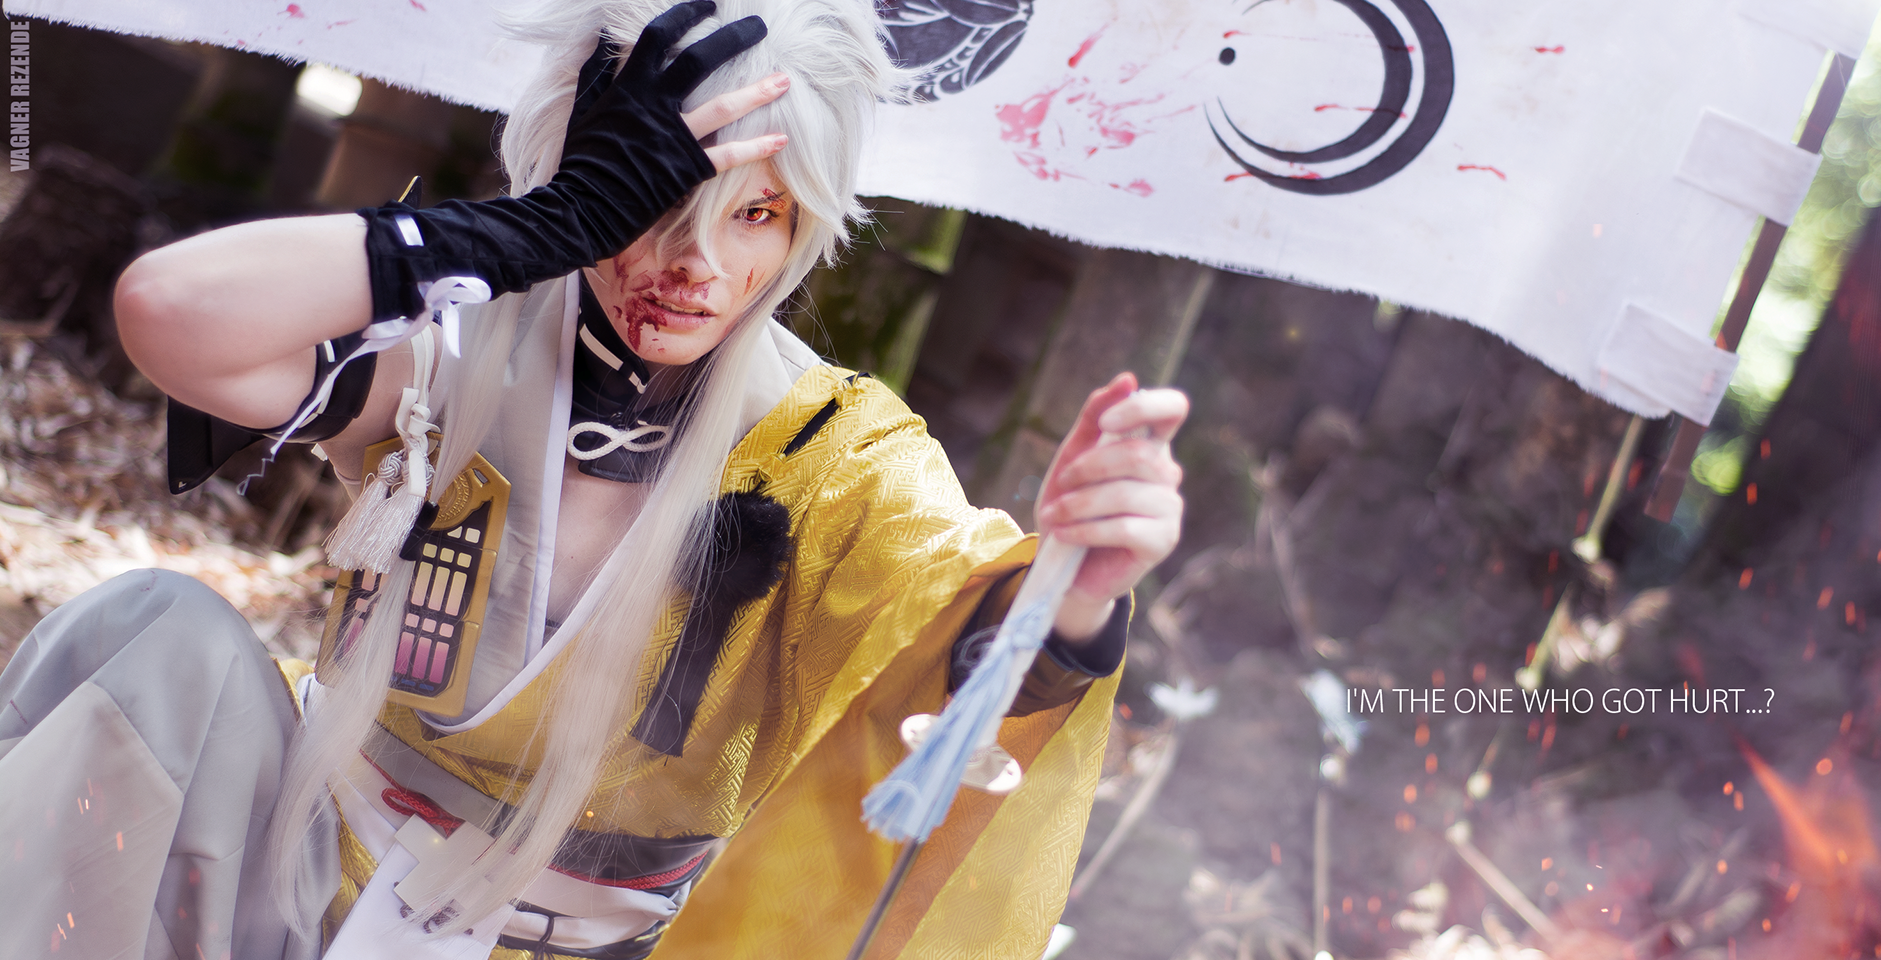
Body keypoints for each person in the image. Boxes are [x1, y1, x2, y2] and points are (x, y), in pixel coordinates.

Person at [0, 0, 1189, 957]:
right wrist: (534, 231)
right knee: (148, 630)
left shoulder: (831, 448)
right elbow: (172, 315)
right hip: (302, 880)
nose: (694, 264)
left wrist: (1079, 584)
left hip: (591, 947)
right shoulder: (458, 339)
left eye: (757, 213)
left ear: (804, 225)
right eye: (657, 200)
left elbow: (967, 650)